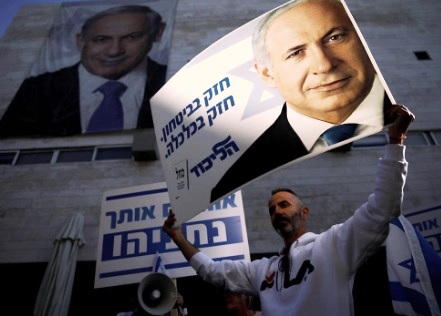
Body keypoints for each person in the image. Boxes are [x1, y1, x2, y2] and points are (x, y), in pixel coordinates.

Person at [163, 104, 415, 315]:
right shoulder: (263, 270)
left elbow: (382, 209)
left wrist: (395, 141)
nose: (277, 212)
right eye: (272, 210)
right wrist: (178, 237)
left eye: (284, 205)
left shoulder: (334, 245)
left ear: (304, 213)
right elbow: (213, 272)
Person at [210, 0, 390, 202]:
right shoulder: (235, 179)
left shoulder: (400, 114)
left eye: (335, 37)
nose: (324, 65)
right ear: (267, 74)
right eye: (296, 53)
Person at [0, 5, 167, 137]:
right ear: (80, 41)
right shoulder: (34, 91)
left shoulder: (171, 84)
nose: (114, 51)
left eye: (131, 37)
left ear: (156, 34)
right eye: (101, 39)